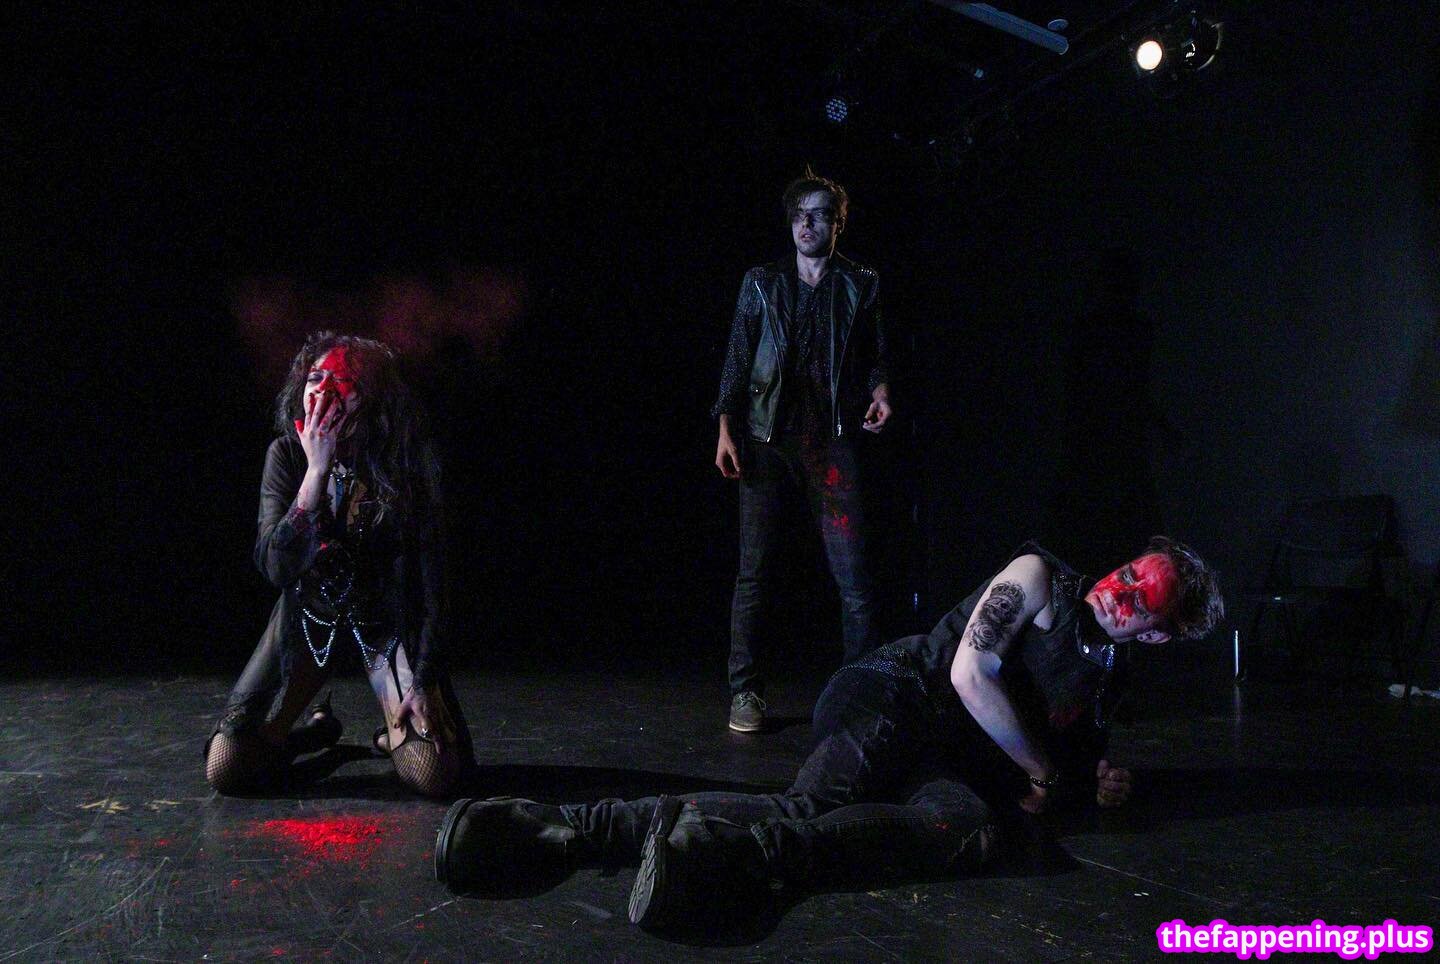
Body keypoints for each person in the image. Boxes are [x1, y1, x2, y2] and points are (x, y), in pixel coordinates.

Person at [431, 537, 1223, 930]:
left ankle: (722, 854)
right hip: (898, 694)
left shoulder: (1108, 679)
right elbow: (970, 674)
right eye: (1128, 574)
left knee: (972, 830)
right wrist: (1045, 771)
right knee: (812, 807)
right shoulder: (1039, 577)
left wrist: (1095, 779)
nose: (1119, 593)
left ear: (1158, 635)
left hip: (947, 765)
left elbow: (1074, 760)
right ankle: (560, 833)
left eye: (1141, 602)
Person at [204, 332, 475, 797]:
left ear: (372, 398)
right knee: (226, 768)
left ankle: (390, 737)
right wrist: (315, 472)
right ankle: (312, 736)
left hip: (382, 627)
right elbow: (275, 566)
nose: (324, 391)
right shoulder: (287, 455)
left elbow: (435, 584)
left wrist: (424, 678)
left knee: (433, 774)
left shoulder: (405, 460)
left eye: (343, 381)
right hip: (309, 621)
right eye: (315, 378)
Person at [712, 168, 894, 733]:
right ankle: (745, 691)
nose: (807, 224)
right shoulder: (762, 282)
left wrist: (881, 391)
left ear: (838, 224)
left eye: (819, 215)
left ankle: (856, 695)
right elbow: (738, 356)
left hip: (831, 444)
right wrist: (724, 427)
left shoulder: (860, 283)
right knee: (754, 574)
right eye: (799, 215)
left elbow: (876, 353)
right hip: (766, 442)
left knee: (854, 579)